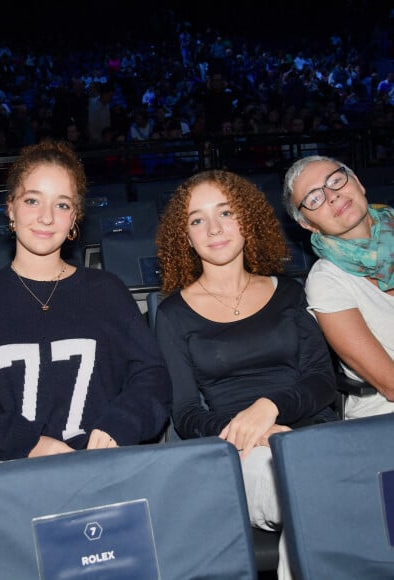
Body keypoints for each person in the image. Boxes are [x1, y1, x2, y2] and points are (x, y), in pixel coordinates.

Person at [154, 170, 338, 580]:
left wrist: (270, 408)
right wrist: (250, 431)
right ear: (184, 236)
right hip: (241, 453)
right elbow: (185, 413)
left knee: (316, 487)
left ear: (247, 220)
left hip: (312, 438)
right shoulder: (172, 315)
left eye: (225, 212)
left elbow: (321, 381)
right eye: (197, 219)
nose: (214, 228)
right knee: (309, 491)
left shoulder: (291, 292)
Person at [0, 139, 171, 465]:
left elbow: (152, 377)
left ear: (75, 218)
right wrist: (31, 444)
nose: (46, 218)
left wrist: (120, 424)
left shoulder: (107, 292)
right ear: (10, 208)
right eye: (32, 201)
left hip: (103, 471)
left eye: (62, 205)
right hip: (13, 481)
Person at [283, 155, 394, 418]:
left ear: (357, 182)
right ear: (308, 224)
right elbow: (390, 383)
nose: (332, 195)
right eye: (314, 199)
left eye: (335, 181)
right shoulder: (327, 280)